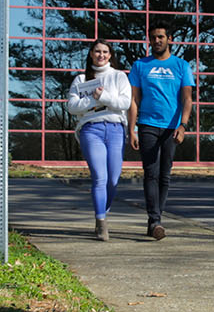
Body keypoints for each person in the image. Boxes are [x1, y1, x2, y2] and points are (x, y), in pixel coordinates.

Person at [127, 25, 194, 240]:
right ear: (150, 40)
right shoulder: (140, 66)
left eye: (161, 37)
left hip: (171, 127)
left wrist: (183, 125)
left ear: (169, 39)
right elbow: (134, 100)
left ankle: (157, 218)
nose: (157, 40)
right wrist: (132, 128)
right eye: (154, 37)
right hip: (147, 124)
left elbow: (187, 99)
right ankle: (154, 220)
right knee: (151, 172)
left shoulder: (181, 66)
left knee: (165, 175)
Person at [66, 40, 132, 241]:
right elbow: (72, 106)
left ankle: (103, 210)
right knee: (99, 177)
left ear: (110, 55)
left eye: (105, 51)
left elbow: (125, 102)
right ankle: (101, 221)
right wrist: (93, 100)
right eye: (97, 51)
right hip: (91, 130)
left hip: (115, 129)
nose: (101, 55)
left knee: (113, 179)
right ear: (91, 54)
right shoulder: (81, 79)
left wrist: (104, 97)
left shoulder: (119, 76)